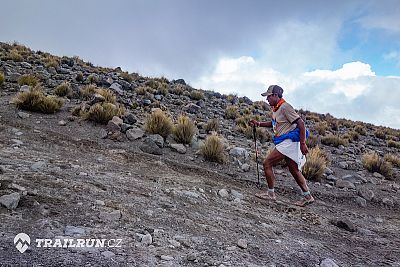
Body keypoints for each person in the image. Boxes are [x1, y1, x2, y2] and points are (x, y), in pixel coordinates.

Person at [249, 85, 314, 207]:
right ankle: (308, 196)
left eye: (268, 96)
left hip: (288, 142)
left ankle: (270, 194)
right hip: (287, 142)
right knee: (293, 169)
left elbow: (301, 123)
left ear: (275, 95)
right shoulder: (276, 109)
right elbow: (275, 124)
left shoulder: (285, 107)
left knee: (267, 163)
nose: (267, 99)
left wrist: (303, 144)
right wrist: (258, 124)